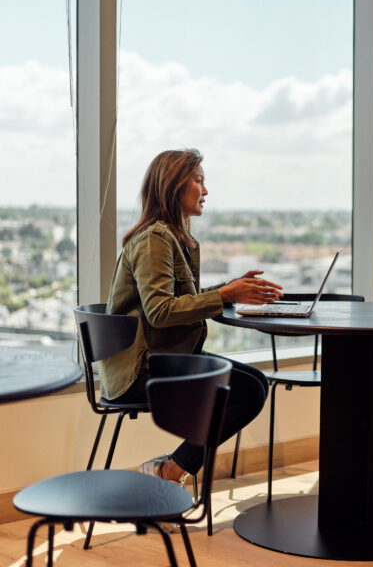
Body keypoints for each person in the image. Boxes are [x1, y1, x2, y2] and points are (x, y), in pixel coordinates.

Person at [102, 148, 283, 485]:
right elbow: (160, 311)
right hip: (141, 371)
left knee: (255, 384)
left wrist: (229, 288)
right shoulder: (155, 239)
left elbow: (177, 300)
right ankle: (170, 471)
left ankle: (171, 468)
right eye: (199, 181)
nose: (206, 191)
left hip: (161, 360)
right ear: (175, 186)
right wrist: (225, 296)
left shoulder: (171, 237)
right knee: (249, 392)